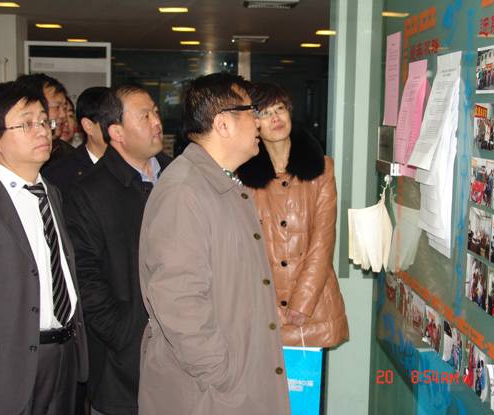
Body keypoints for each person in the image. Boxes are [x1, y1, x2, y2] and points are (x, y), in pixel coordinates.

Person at [138, 73, 291, 415]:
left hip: (232, 384)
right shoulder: (185, 190)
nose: (259, 121)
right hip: (208, 393)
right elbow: (178, 299)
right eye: (252, 112)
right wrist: (221, 372)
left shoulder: (222, 183)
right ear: (223, 124)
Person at [0, 80, 87, 415]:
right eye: (26, 124)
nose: (42, 131)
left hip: (64, 355)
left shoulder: (51, 193)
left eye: (43, 121)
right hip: (4, 368)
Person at [65, 84, 171, 415]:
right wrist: (125, 333)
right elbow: (84, 276)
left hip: (182, 356)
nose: (157, 122)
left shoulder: (177, 177)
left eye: (156, 112)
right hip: (122, 368)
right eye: (145, 116)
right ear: (116, 132)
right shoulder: (88, 191)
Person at [237, 82, 349, 348]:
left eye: (280, 109)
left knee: (305, 376)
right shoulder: (242, 176)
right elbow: (242, 249)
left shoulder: (322, 168)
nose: (275, 117)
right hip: (262, 307)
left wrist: (301, 303)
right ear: (254, 123)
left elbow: (323, 241)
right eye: (265, 113)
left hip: (314, 307)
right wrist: (268, 302)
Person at [43, 87, 112, 197]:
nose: (119, 128)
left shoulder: (130, 165)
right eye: (112, 121)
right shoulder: (60, 174)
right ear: (88, 126)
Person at [16, 73, 75, 167]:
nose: (63, 115)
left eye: (64, 108)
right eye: (56, 107)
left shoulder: (71, 156)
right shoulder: (12, 153)